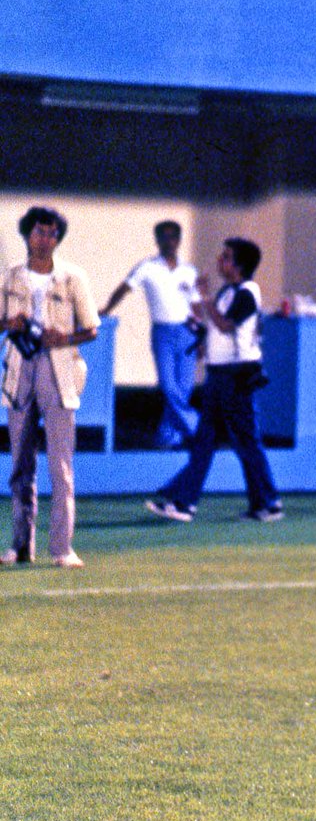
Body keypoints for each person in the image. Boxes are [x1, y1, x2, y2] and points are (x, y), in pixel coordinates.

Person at [146, 238, 282, 523]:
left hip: (237, 376)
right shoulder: (227, 292)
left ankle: (265, 502)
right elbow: (216, 328)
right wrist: (201, 336)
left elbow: (226, 324)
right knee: (207, 441)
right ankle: (185, 502)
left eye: (226, 257)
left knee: (243, 441)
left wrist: (205, 297)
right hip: (219, 375)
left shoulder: (247, 293)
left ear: (239, 265)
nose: (220, 260)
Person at [0, 206, 99, 568]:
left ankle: (62, 548)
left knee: (61, 464)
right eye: (39, 231)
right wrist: (9, 323)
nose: (45, 239)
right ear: (27, 234)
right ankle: (20, 546)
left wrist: (64, 338)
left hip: (58, 369)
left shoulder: (73, 277)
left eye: (52, 233)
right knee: (20, 463)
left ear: (58, 238)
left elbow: (91, 328)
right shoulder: (10, 278)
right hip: (19, 368)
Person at [100, 220, 199, 450]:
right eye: (164, 237)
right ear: (158, 240)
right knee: (168, 385)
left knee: (184, 387)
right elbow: (125, 288)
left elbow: (195, 305)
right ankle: (197, 427)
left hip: (188, 332)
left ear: (179, 240)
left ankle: (168, 437)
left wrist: (202, 335)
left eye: (173, 237)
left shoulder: (189, 271)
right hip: (163, 333)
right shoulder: (147, 267)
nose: (169, 242)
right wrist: (107, 309)